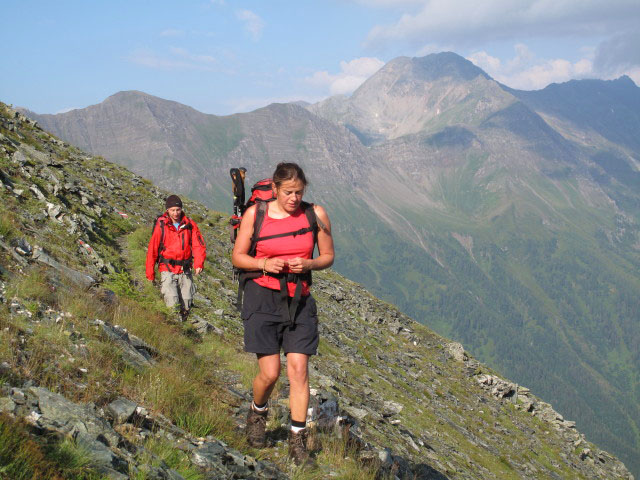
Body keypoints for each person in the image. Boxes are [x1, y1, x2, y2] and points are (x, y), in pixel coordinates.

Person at [231, 162, 334, 466]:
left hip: (300, 299)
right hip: (262, 298)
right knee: (270, 373)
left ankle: (297, 442)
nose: (293, 198)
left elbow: (328, 255)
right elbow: (238, 256)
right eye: (288, 192)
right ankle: (257, 412)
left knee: (299, 371)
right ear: (274, 189)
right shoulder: (256, 214)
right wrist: (263, 264)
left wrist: (310, 264)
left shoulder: (316, 214)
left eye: (299, 192)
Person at [146, 195, 206, 320]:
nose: (175, 213)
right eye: (172, 210)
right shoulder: (161, 225)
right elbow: (153, 249)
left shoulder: (190, 225)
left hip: (185, 270)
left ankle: (184, 324)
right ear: (167, 210)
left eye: (177, 210)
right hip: (167, 268)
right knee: (172, 302)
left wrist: (199, 263)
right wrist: (150, 273)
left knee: (187, 300)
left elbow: (198, 245)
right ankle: (175, 328)